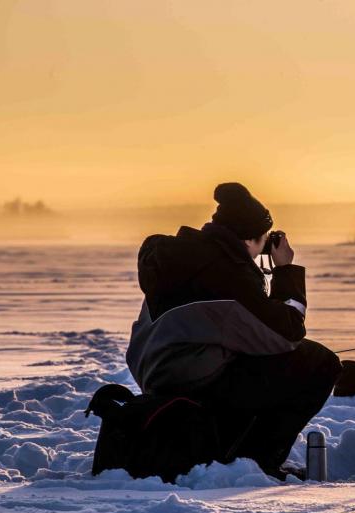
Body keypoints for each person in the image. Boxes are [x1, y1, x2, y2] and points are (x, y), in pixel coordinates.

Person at [125, 182, 341, 479]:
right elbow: (287, 334)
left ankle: (228, 446)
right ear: (250, 239)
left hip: (156, 372)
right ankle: (255, 463)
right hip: (193, 379)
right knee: (319, 362)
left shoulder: (183, 255)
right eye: (265, 237)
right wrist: (284, 270)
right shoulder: (228, 273)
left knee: (252, 358)